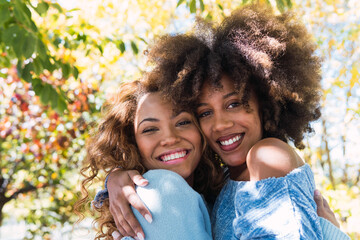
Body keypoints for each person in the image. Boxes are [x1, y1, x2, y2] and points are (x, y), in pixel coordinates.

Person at [101, 4, 350, 240]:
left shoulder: (267, 156)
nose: (220, 125)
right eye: (205, 113)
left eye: (234, 104)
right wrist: (115, 178)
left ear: (265, 103)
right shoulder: (218, 186)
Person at [75, 78, 224, 240]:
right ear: (132, 143)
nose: (170, 138)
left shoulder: (211, 193)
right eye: (150, 129)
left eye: (183, 122)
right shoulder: (161, 189)